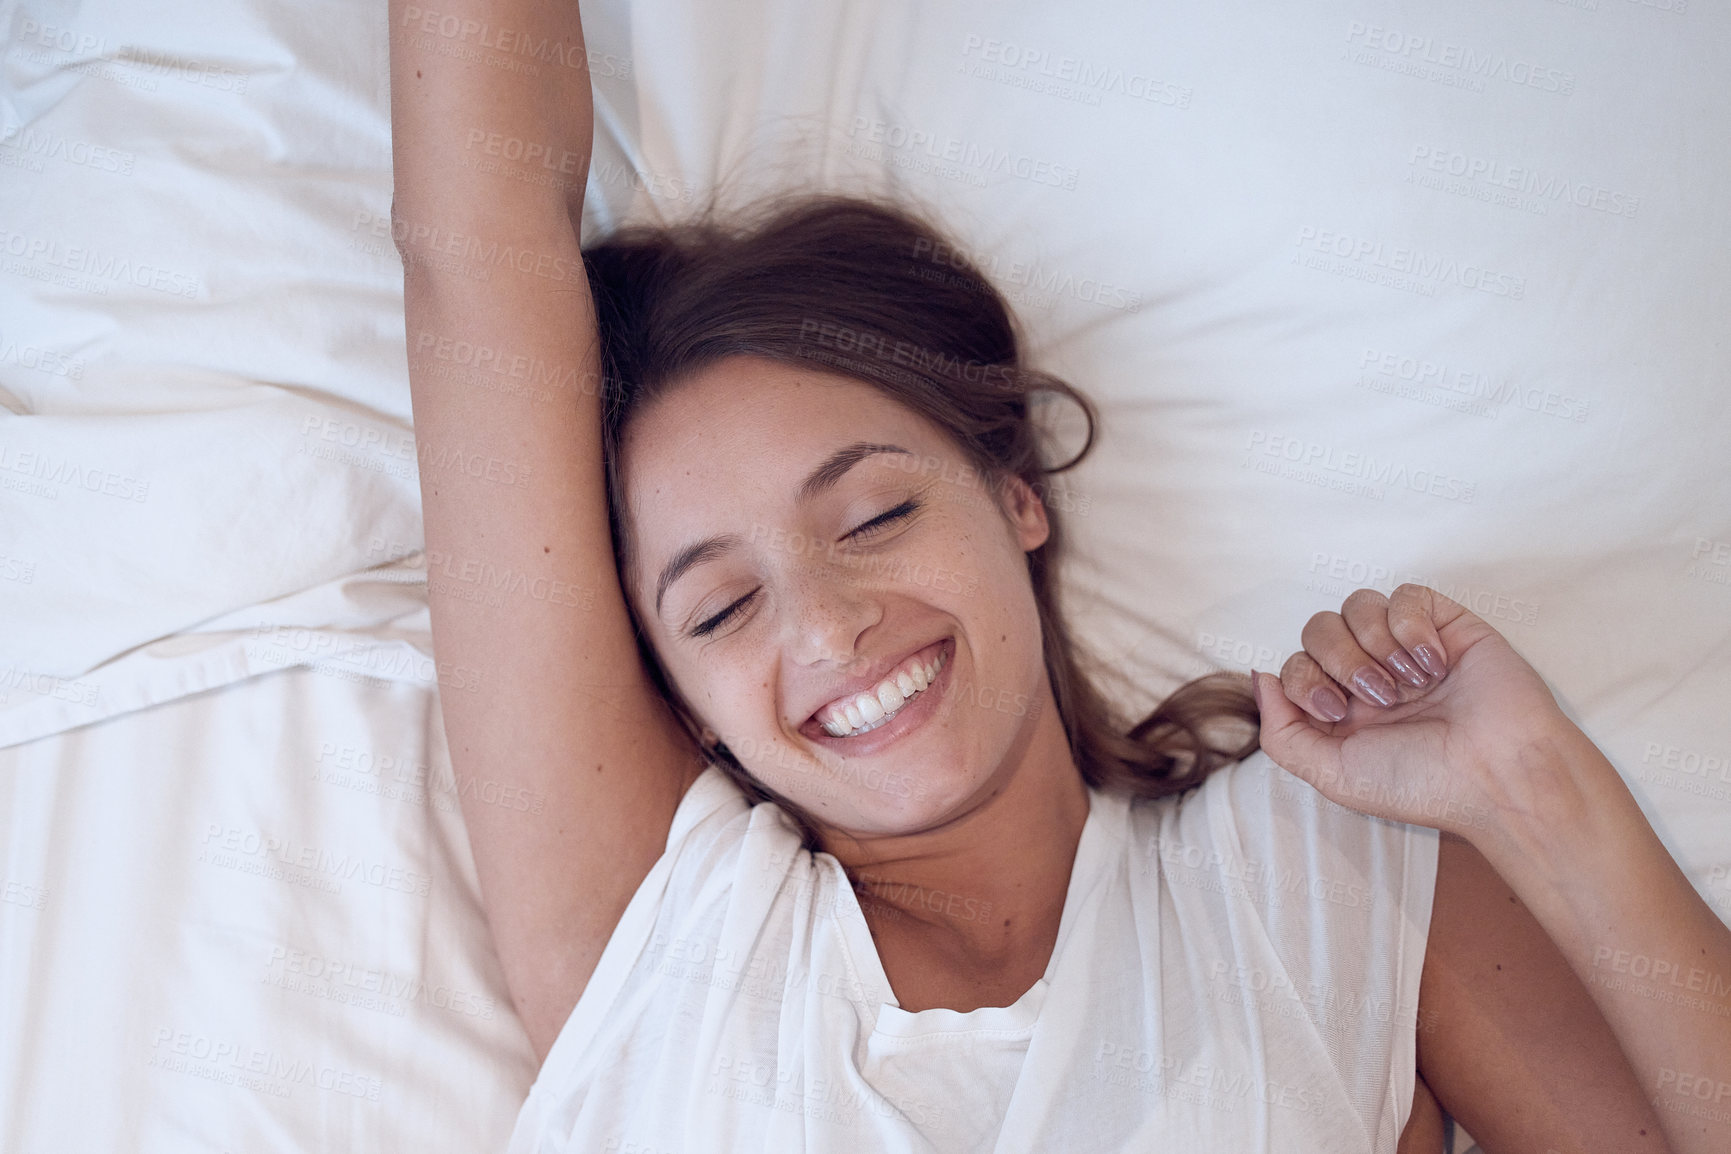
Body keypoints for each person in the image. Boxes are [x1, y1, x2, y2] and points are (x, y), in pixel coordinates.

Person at [386, 3, 1731, 1151]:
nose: (831, 623)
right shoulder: (669, 947)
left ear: (1015, 493)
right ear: (681, 703)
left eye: (872, 513)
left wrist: (1541, 795)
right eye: (723, 606)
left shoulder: (1326, 871)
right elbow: (477, 245)